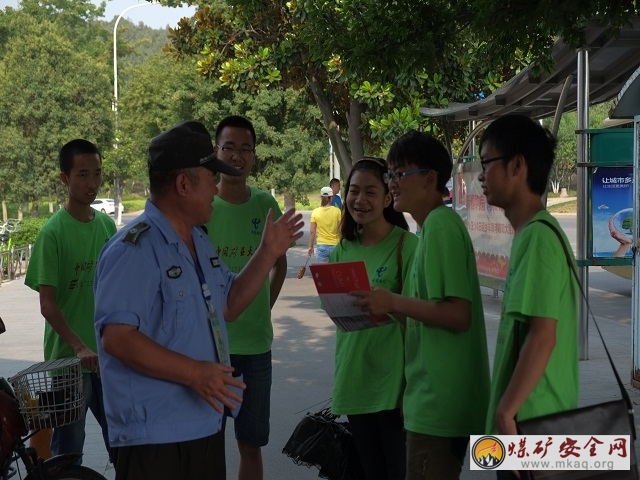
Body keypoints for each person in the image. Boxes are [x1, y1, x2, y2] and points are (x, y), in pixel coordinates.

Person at [93, 120, 303, 480]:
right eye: (211, 178)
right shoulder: (134, 249)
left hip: (202, 428)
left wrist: (267, 253)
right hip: (154, 439)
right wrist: (194, 373)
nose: (216, 188)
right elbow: (117, 337)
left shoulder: (198, 242)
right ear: (183, 184)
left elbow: (229, 303)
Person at [352, 131, 490, 480]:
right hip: (428, 399)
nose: (393, 184)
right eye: (391, 175)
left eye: (400, 174)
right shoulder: (429, 230)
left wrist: (393, 300)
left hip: (440, 404)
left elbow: (459, 314)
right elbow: (428, 310)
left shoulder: (442, 226)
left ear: (430, 178)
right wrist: (382, 306)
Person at [478, 114, 578, 479]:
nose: (480, 175)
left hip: (533, 424)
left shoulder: (537, 237)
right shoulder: (535, 233)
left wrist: (506, 412)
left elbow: (542, 336)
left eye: (486, 163)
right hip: (534, 423)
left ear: (517, 165)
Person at [204, 115, 286, 480]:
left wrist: (262, 307)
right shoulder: (202, 206)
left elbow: (279, 264)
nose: (237, 156)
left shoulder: (266, 204)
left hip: (255, 348)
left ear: (254, 155)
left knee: (250, 444)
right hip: (208, 347)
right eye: (229, 147)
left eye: (245, 149)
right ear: (215, 151)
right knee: (205, 443)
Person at [329, 157, 418, 480]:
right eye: (353, 191)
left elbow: (418, 322)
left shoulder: (408, 247)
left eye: (370, 191)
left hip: (393, 387)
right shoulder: (343, 248)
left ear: (387, 198)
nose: (359, 200)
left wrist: (389, 305)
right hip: (354, 380)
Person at [25, 139, 113, 461]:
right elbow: (47, 304)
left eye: (97, 174)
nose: (92, 184)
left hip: (105, 359)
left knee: (124, 440)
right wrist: (79, 346)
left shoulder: (106, 226)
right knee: (69, 452)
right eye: (82, 175)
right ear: (65, 178)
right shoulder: (52, 233)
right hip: (67, 365)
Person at [308, 187, 341, 262]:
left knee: (323, 272)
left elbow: (312, 232)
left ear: (321, 197)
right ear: (331, 197)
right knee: (335, 272)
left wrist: (310, 246)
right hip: (335, 246)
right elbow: (340, 230)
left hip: (321, 246)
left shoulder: (315, 212)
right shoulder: (337, 211)